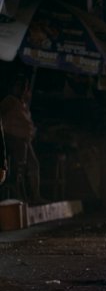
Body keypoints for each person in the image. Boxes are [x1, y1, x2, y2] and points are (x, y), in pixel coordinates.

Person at [0, 74, 45, 204]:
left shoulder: (22, 103)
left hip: (25, 140)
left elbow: (27, 123)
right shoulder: (9, 101)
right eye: (20, 86)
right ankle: (19, 196)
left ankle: (35, 196)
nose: (23, 89)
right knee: (19, 168)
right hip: (13, 139)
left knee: (33, 165)